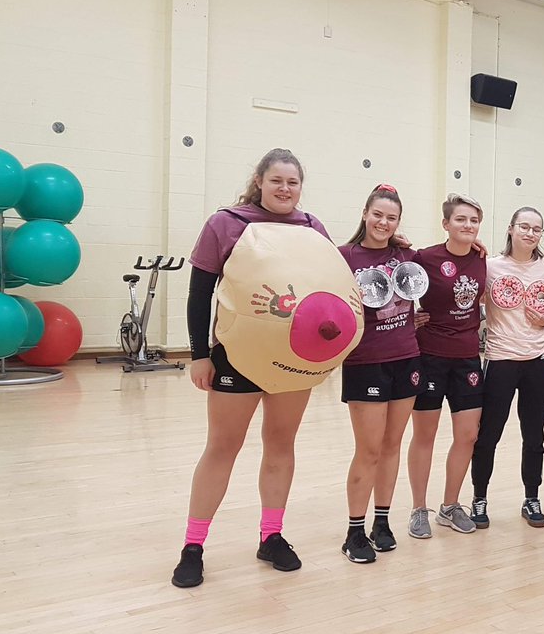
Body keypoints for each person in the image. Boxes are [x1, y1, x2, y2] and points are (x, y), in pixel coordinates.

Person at [172, 148, 330, 588]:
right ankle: (193, 546)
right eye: (276, 180)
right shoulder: (227, 224)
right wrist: (198, 353)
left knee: (281, 444)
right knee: (223, 447)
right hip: (235, 357)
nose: (284, 189)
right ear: (259, 180)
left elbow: (324, 291)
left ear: (301, 187)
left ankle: (271, 536)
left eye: (292, 182)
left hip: (293, 360)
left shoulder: (312, 228)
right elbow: (198, 293)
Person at [337, 184, 426, 563]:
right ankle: (354, 532)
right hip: (365, 363)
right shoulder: (343, 256)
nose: (383, 222)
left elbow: (439, 266)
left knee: (392, 445)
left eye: (391, 218)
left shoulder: (406, 254)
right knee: (369, 449)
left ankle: (382, 522)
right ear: (365, 214)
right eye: (378, 215)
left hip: (407, 357)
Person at [469, 207, 544, 529]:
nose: (530, 233)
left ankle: (531, 498)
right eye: (524, 226)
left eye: (537, 228)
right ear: (510, 229)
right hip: (500, 359)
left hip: (538, 361)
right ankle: (479, 499)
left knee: (534, 436)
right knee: (487, 435)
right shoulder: (490, 266)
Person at [407, 193, 487, 539]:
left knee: (468, 436)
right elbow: (394, 277)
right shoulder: (424, 258)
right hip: (429, 358)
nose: (468, 226)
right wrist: (408, 316)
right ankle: (418, 509)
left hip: (468, 357)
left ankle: (450, 506)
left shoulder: (484, 260)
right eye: (461, 220)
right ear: (446, 224)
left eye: (473, 221)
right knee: (424, 435)